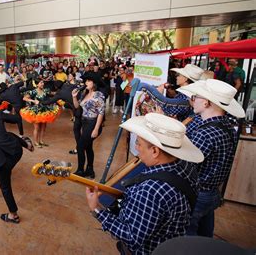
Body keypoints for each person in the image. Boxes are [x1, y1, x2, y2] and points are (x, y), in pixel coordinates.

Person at [86, 113, 203, 254]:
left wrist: (97, 209)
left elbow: (131, 237)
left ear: (155, 151)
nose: (137, 148)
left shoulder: (151, 190)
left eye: (138, 143)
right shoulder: (185, 165)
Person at [178, 79, 244, 237]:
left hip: (198, 194)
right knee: (205, 233)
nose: (192, 100)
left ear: (206, 102)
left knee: (188, 238)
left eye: (196, 97)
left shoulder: (205, 133)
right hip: (213, 192)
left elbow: (186, 167)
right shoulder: (229, 127)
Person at [72, 72, 105, 178]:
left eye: (88, 81)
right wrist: (74, 97)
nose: (86, 82)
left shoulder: (98, 95)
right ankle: (90, 170)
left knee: (80, 146)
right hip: (85, 123)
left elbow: (101, 112)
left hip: (93, 123)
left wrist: (96, 129)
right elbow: (77, 106)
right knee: (88, 147)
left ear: (94, 83)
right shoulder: (84, 94)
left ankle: (80, 170)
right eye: (86, 81)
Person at [21, 79, 60, 147]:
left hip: (45, 110)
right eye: (41, 83)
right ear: (37, 84)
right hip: (36, 111)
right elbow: (24, 98)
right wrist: (33, 101)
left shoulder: (45, 90)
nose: (42, 84)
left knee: (43, 127)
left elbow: (53, 94)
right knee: (37, 127)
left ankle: (41, 141)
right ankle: (36, 142)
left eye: (43, 83)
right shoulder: (33, 92)